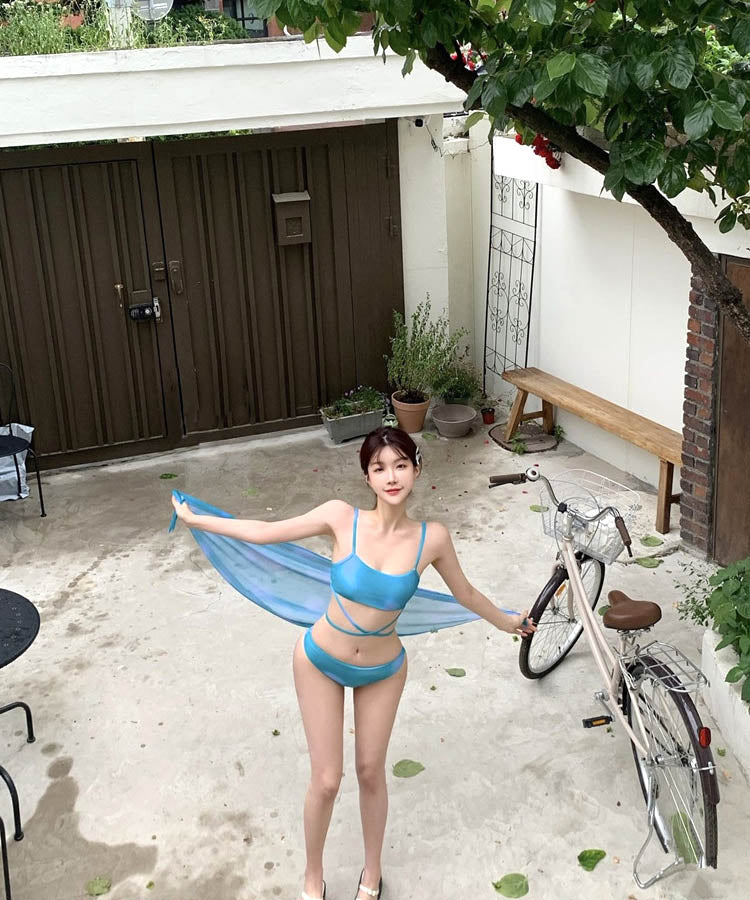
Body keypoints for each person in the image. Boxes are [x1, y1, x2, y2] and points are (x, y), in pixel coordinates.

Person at [170, 426, 536, 900]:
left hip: (383, 670)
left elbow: (464, 593)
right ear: (367, 477)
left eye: (400, 465)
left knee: (369, 772)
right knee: (326, 781)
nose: (391, 477)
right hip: (320, 660)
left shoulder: (432, 538)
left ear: (417, 469)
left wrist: (507, 622)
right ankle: (313, 877)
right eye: (379, 468)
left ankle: (371, 875)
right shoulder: (341, 518)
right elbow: (264, 533)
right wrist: (197, 520)